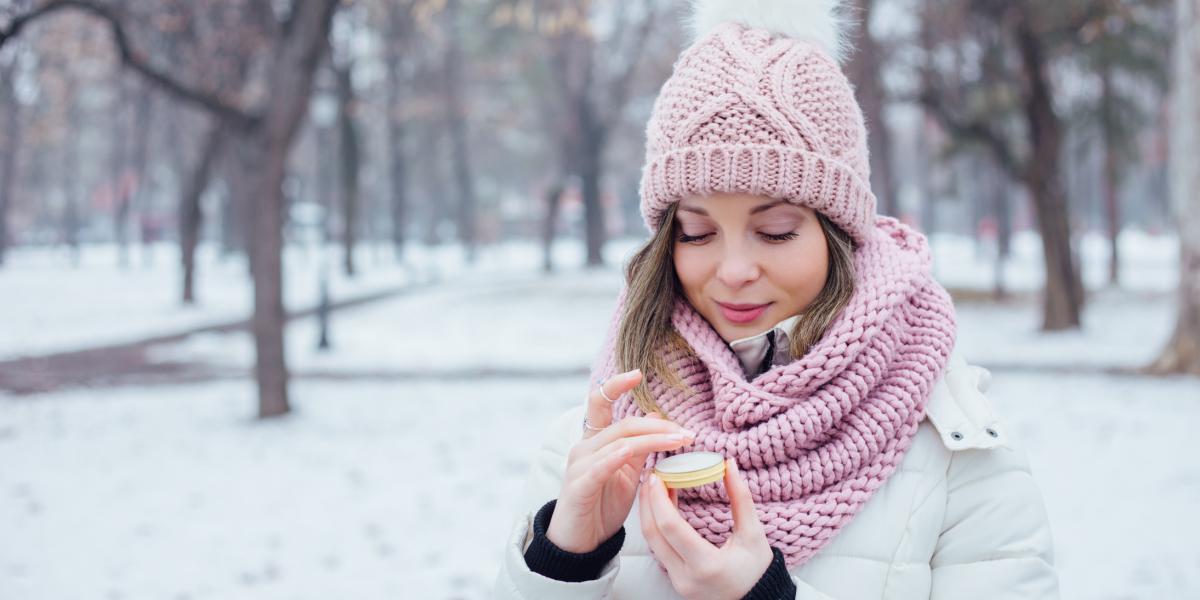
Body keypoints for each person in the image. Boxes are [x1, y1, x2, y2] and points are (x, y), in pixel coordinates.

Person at [493, 1, 1059, 598]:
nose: (734, 270)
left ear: (837, 234)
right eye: (697, 232)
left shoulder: (955, 452)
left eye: (776, 230)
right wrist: (566, 561)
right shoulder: (599, 441)